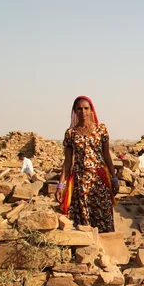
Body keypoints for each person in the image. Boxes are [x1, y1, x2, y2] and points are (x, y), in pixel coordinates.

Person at [55, 96, 118, 232]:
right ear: (75, 111)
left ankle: (107, 249)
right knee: (84, 218)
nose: (83, 111)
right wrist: (61, 185)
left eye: (86, 108)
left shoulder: (101, 129)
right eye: (79, 108)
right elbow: (67, 161)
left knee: (104, 215)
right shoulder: (71, 133)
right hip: (80, 182)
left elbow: (107, 155)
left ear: (91, 111)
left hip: (99, 180)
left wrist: (114, 178)